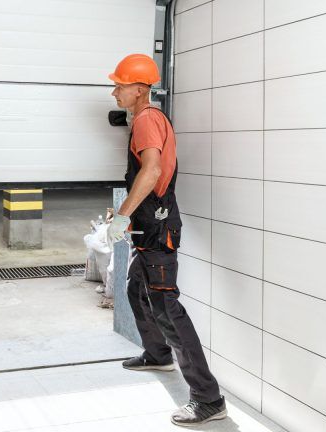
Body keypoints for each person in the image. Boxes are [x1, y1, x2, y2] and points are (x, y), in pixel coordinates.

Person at [106, 54, 227, 427]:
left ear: (140, 89)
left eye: (120, 85)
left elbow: (153, 169)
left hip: (157, 227)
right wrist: (127, 215)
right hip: (150, 225)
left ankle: (208, 398)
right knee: (134, 287)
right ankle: (157, 353)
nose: (115, 92)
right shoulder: (145, 119)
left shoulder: (145, 119)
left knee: (166, 307)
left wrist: (124, 213)